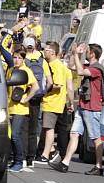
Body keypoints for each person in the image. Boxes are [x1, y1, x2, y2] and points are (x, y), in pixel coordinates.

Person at [50, 43, 104, 175]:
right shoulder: (89, 66)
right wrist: (77, 54)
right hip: (83, 106)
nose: (86, 53)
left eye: (87, 51)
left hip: (91, 108)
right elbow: (72, 66)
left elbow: (80, 71)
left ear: (92, 54)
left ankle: (99, 166)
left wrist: (76, 54)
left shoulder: (97, 69)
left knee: (95, 137)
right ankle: (65, 163)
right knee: (74, 134)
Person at [36, 41, 73, 163]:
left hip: (52, 102)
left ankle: (47, 154)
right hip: (56, 102)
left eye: (46, 50)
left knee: (49, 128)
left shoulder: (55, 65)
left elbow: (57, 85)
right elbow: (69, 88)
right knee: (47, 128)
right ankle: (48, 150)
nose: (44, 52)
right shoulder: (60, 66)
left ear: (52, 52)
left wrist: (43, 91)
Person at [22, 36, 52, 167]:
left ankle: (21, 156)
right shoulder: (42, 60)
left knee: (23, 128)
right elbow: (50, 82)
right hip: (38, 99)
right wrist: (43, 93)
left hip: (24, 97)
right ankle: (31, 158)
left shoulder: (22, 58)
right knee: (34, 129)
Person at [7, 47, 38, 173]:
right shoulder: (10, 70)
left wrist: (26, 99)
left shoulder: (26, 71)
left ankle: (20, 161)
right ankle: (14, 160)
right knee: (9, 136)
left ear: (24, 59)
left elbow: (35, 87)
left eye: (20, 58)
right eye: (15, 57)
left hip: (20, 109)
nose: (16, 60)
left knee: (15, 135)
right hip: (9, 108)